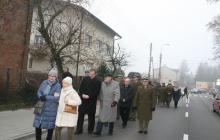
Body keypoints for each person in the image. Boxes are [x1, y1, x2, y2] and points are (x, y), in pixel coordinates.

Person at [33, 68, 61, 140]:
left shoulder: (57, 85)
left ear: (56, 77)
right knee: (38, 125)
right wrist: (40, 96)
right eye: (50, 75)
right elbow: (39, 92)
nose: (51, 77)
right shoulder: (44, 82)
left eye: (53, 76)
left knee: (50, 127)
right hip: (41, 106)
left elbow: (56, 98)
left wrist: (46, 97)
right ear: (48, 76)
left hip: (51, 109)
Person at [75, 69, 101, 135]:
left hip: (91, 102)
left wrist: (89, 96)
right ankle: (79, 129)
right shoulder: (85, 79)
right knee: (80, 116)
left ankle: (90, 130)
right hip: (83, 101)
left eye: (92, 74)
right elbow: (80, 88)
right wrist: (81, 94)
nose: (91, 75)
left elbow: (97, 92)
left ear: (95, 74)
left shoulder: (98, 81)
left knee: (91, 117)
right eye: (90, 74)